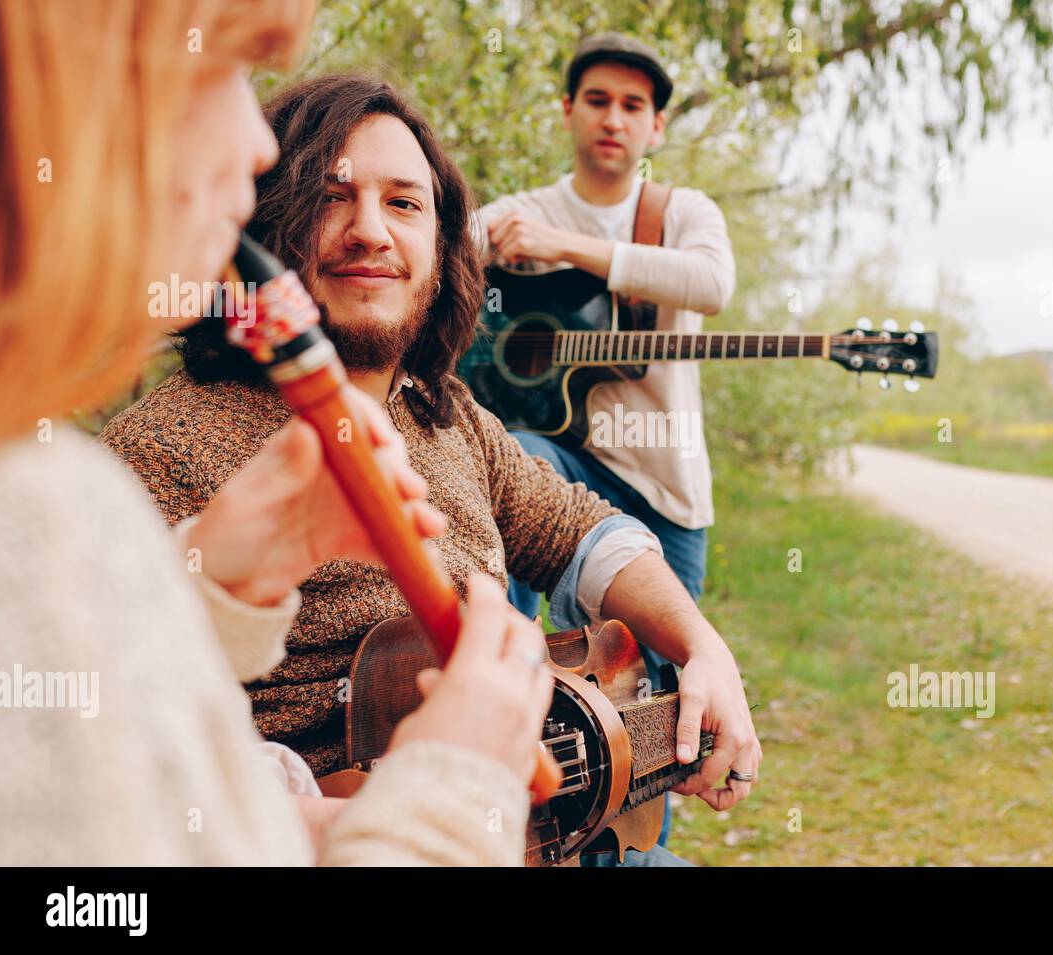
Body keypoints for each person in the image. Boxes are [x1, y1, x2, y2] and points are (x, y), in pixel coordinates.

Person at [98, 73, 762, 866]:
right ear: (267, 230)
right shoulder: (155, 450)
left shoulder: (448, 415)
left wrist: (700, 647)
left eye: (405, 204)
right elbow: (125, 771)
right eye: (330, 196)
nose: (370, 231)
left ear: (444, 257)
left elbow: (583, 532)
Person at [0, 0, 552, 865]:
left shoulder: (445, 411)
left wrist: (208, 592)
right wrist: (456, 783)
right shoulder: (50, 503)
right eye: (220, 69)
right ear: (61, 94)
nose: (255, 150)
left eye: (405, 203)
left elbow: (70, 754)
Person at [476, 33, 737, 847]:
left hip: (664, 489)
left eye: (633, 106)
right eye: (597, 101)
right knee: (514, 456)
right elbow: (434, 263)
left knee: (662, 703)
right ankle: (496, 700)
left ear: (655, 127)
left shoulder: (681, 212)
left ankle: (641, 851)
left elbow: (711, 283)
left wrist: (568, 251)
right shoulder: (517, 213)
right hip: (561, 465)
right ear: (568, 112)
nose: (613, 120)